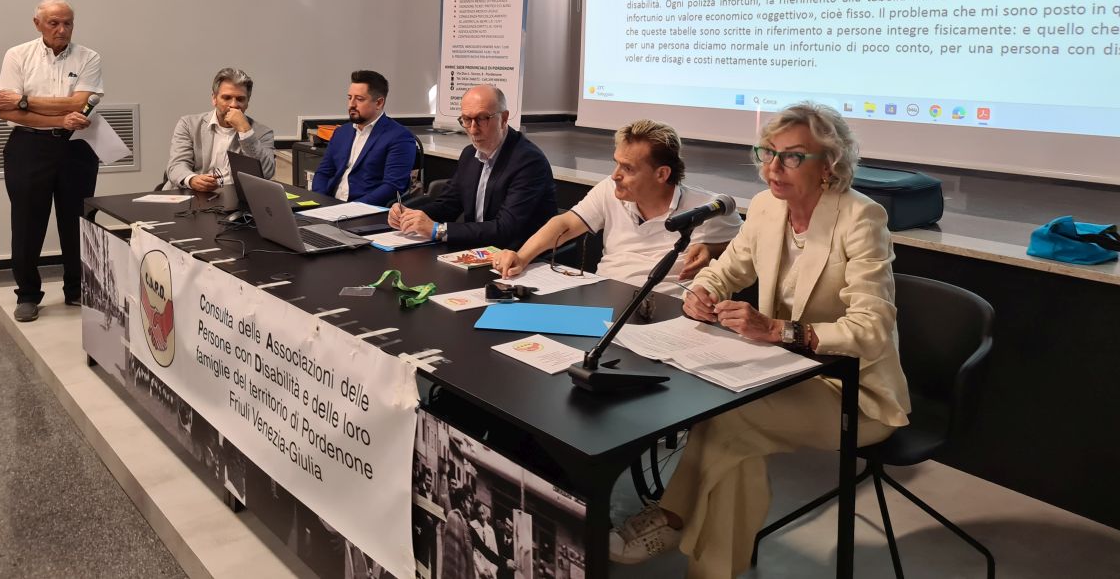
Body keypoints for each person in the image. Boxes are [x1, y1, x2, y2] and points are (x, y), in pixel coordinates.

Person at [609, 102, 911, 578]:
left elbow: (871, 329)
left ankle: (673, 518)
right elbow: (727, 269)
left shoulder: (861, 218)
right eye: (767, 153)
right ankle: (708, 563)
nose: (772, 167)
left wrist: (777, 330)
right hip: (783, 372)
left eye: (791, 157)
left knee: (728, 422)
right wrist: (702, 292)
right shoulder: (768, 207)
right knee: (732, 434)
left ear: (829, 165)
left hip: (855, 390)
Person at [494, 119, 741, 294]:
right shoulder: (609, 190)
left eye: (628, 168)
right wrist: (522, 257)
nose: (615, 175)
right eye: (616, 163)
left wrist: (712, 248)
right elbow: (565, 224)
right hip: (605, 298)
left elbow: (748, 248)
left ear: (662, 174)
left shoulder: (708, 209)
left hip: (665, 310)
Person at [0, 0, 103, 322]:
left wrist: (24, 101)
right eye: (54, 23)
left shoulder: (89, 57)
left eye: (68, 23)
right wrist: (59, 116)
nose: (62, 29)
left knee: (78, 221)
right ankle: (27, 294)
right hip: (28, 146)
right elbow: (6, 111)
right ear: (37, 23)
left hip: (76, 147)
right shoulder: (17, 55)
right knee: (27, 222)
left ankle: (77, 288)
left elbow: (81, 103)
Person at [389, 86, 556, 249]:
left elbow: (505, 229)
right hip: (476, 249)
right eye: (467, 120)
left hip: (517, 255)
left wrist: (438, 230)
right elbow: (448, 205)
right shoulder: (469, 154)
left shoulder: (528, 161)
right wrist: (409, 215)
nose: (473, 130)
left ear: (504, 118)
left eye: (482, 118)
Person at [310, 70, 416, 206]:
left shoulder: (399, 137)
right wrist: (320, 202)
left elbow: (392, 186)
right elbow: (323, 173)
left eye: (359, 99)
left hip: (365, 209)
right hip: (330, 205)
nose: (351, 104)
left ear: (379, 103)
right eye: (350, 98)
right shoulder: (342, 132)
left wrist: (352, 208)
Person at [162, 67, 276, 191]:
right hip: (190, 193)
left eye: (240, 99)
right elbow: (176, 165)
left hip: (234, 197)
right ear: (214, 99)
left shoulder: (262, 133)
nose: (233, 104)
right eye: (226, 98)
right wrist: (192, 179)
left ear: (247, 102)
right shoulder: (188, 124)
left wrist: (245, 131)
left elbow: (266, 173)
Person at [441, 484, 475, 579]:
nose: (470, 507)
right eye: (468, 503)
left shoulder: (463, 522)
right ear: (463, 503)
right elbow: (453, 553)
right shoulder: (453, 518)